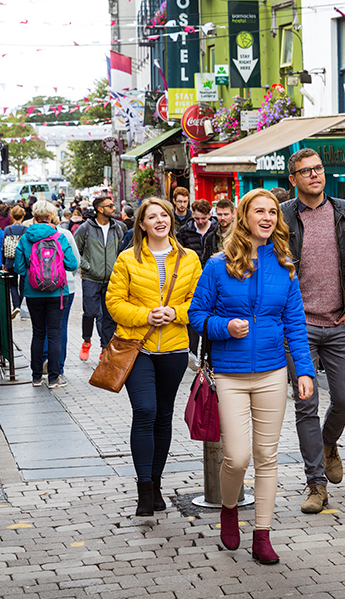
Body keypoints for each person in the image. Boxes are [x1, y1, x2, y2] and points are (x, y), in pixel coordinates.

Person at [188, 189, 315, 564]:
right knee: (237, 457)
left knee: (266, 456)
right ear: (244, 217)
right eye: (260, 211)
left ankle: (262, 534)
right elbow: (196, 316)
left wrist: (304, 370)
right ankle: (229, 508)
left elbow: (295, 324)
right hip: (230, 374)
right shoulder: (218, 265)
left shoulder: (285, 264)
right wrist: (226, 327)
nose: (268, 217)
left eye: (273, 212)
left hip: (273, 372)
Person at [280, 148, 345, 514]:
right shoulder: (282, 216)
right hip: (298, 327)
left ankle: (327, 443)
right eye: (306, 171)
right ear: (293, 179)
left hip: (339, 325)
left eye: (318, 168)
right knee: (306, 405)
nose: (315, 175)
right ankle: (316, 484)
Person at [106, 197, 202, 518]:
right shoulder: (127, 259)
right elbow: (114, 302)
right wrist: (146, 316)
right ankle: (144, 490)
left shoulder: (189, 258)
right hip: (138, 347)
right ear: (142, 224)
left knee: (163, 416)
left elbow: (199, 301)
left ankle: (157, 483)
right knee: (145, 410)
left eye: (164, 215)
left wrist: (175, 312)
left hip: (174, 349)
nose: (160, 220)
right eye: (152, 216)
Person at [12, 200, 78, 388]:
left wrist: (33, 273)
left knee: (38, 333)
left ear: (34, 217)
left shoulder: (26, 238)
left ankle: (36, 377)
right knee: (55, 334)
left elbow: (18, 268)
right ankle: (54, 378)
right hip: (57, 293)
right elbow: (72, 264)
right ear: (50, 217)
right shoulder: (59, 237)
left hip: (33, 293)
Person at [74, 196, 127, 361]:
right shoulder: (85, 228)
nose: (114, 208)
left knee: (108, 316)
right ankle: (87, 340)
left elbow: (122, 252)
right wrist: (87, 266)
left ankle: (105, 348)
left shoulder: (119, 227)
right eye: (110, 206)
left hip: (111, 279)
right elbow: (75, 250)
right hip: (91, 278)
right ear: (100, 209)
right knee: (90, 313)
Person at [177, 199, 221, 364]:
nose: (200, 222)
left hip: (213, 278)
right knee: (194, 313)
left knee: (213, 315)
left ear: (209, 215)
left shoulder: (216, 230)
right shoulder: (185, 231)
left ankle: (208, 354)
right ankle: (192, 353)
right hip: (192, 278)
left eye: (203, 218)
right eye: (197, 218)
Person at [42, 207, 81, 381]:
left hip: (38, 287)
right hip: (64, 286)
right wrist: (68, 275)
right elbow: (75, 262)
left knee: (41, 327)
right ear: (53, 216)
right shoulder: (64, 234)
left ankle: (43, 361)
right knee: (60, 326)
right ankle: (58, 366)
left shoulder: (30, 235)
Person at [3, 205, 28, 318]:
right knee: (23, 284)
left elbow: (3, 246)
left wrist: (4, 262)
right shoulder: (26, 229)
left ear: (12, 216)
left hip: (10, 259)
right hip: (22, 260)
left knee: (12, 284)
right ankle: (21, 306)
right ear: (23, 216)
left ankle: (16, 305)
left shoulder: (7, 229)